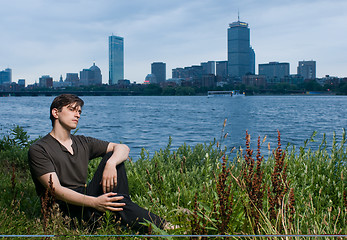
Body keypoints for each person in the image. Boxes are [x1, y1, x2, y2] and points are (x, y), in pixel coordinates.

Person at [28, 94, 166, 233]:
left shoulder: (83, 142)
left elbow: (123, 148)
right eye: (72, 109)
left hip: (86, 199)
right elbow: (55, 190)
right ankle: (164, 226)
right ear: (55, 112)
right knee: (120, 201)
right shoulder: (39, 149)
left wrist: (111, 164)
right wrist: (94, 202)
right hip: (65, 211)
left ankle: (124, 213)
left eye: (79, 111)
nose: (77, 115)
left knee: (114, 156)